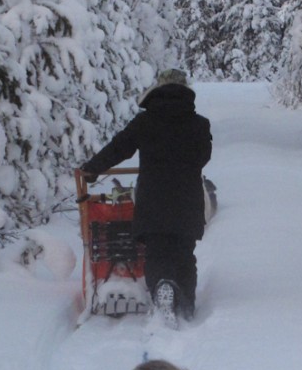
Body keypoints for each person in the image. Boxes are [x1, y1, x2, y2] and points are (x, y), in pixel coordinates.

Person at [80, 69, 212, 323]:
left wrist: (92, 169)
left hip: (153, 200)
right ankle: (185, 306)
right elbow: (202, 158)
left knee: (157, 252)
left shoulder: (145, 122)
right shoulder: (200, 124)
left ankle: (162, 285)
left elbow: (119, 148)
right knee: (184, 252)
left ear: (157, 90)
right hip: (187, 202)